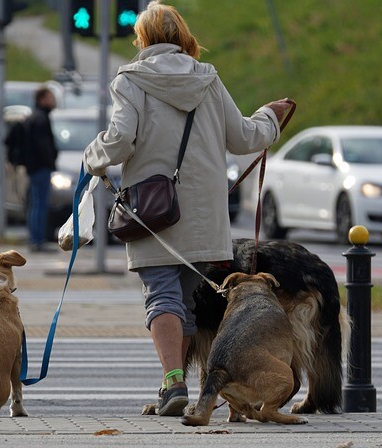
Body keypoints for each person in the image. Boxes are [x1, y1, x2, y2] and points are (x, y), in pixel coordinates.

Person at [82, 1, 293, 416]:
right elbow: (244, 136)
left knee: (160, 295)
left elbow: (121, 140)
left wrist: (93, 157)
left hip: (154, 211)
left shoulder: (131, 80)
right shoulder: (208, 79)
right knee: (184, 300)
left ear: (142, 39)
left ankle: (173, 382)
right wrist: (271, 116)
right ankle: (172, 386)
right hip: (202, 216)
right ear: (184, 37)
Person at [25, 87, 58, 252]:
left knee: (36, 203)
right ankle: (37, 240)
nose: (53, 101)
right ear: (42, 99)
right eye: (50, 97)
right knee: (40, 204)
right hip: (40, 168)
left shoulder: (35, 116)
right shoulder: (40, 118)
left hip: (35, 167)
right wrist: (50, 161)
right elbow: (43, 145)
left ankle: (35, 239)